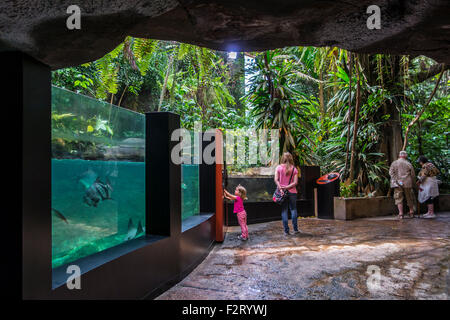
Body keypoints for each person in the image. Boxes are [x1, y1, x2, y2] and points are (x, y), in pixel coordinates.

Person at [274, 152, 299, 235]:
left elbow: (276, 179)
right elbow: (295, 182)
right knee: (293, 209)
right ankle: (295, 229)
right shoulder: (294, 169)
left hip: (282, 192)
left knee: (284, 211)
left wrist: (281, 188)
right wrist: (287, 187)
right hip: (292, 192)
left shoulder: (278, 167)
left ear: (283, 158)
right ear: (291, 158)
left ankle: (286, 231)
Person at [389, 151, 417, 219]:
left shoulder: (394, 163)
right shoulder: (408, 163)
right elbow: (413, 175)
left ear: (399, 155)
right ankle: (411, 212)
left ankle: (401, 214)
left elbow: (391, 173)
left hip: (397, 183)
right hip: (407, 183)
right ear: (406, 156)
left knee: (398, 198)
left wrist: (395, 180)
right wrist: (414, 183)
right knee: (409, 197)